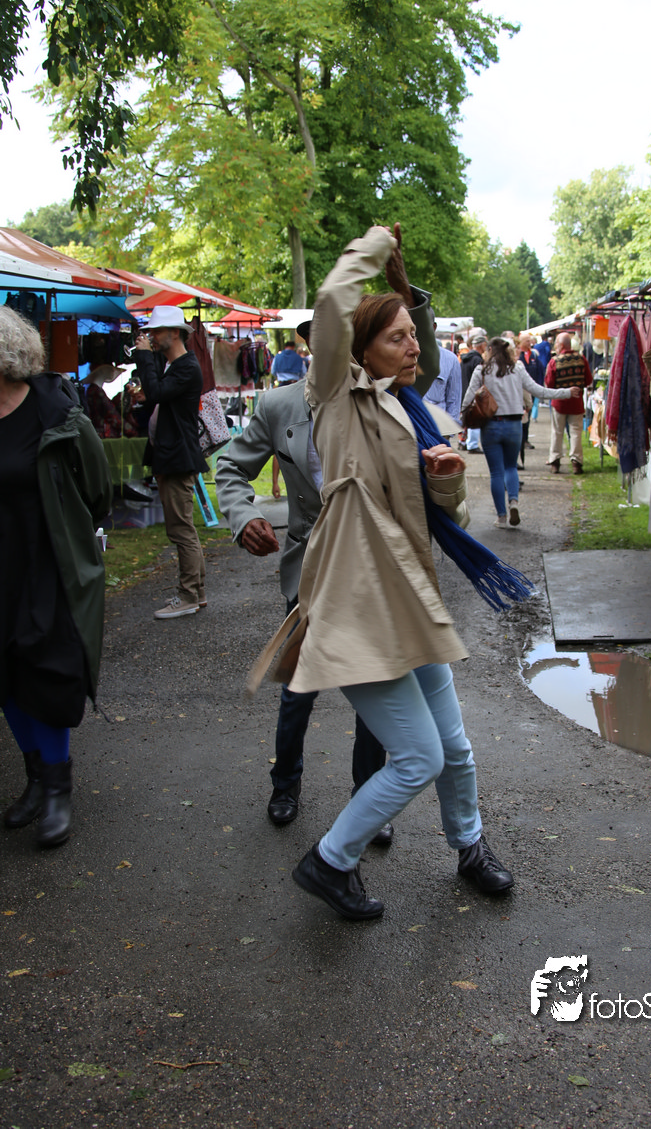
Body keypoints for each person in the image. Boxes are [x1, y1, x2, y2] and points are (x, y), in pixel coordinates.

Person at [288, 226, 526, 921]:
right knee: (419, 757)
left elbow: (437, 514)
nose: (414, 346)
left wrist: (446, 478)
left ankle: (469, 846)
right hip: (359, 602)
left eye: (413, 337)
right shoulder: (335, 393)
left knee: (454, 747)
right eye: (397, 337)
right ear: (359, 349)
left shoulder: (407, 406)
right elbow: (332, 299)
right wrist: (375, 245)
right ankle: (330, 861)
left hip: (408, 596)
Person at [216, 233, 439, 838]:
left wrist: (403, 289)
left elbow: (422, 356)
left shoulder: (383, 394)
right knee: (300, 687)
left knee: (378, 687)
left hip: (376, 569)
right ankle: (284, 784)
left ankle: (369, 799)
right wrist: (242, 517)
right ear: (308, 345)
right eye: (321, 339)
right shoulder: (278, 406)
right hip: (311, 568)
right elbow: (230, 467)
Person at [0, 305, 112, 847]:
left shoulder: (55, 410)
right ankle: (35, 779)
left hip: (47, 563)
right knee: (6, 675)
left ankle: (57, 788)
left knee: (47, 670)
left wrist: (78, 537)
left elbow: (96, 486)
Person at [134, 305, 208, 618]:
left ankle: (188, 594)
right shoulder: (176, 366)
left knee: (181, 530)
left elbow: (156, 392)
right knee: (183, 528)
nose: (151, 337)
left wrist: (143, 356)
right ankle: (196, 592)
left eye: (156, 331)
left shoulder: (186, 367)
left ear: (174, 333)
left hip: (178, 457)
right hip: (173, 455)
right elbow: (158, 394)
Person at [462, 336, 579, 528]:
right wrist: (566, 392)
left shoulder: (481, 370)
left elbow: (468, 399)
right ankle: (514, 501)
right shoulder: (517, 369)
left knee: (496, 473)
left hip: (491, 426)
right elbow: (539, 391)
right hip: (514, 425)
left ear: (489, 351)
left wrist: (460, 419)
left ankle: (501, 517)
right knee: (511, 467)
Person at [545, 332, 593, 476]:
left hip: (559, 402)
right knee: (575, 432)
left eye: (556, 343)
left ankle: (555, 461)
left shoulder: (555, 361)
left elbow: (549, 383)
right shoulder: (581, 359)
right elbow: (588, 380)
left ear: (561, 345)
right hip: (576, 402)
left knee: (557, 432)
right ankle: (576, 462)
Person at [423, 321, 462, 430]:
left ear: (433, 327)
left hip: (437, 430)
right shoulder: (400, 357)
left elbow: (454, 400)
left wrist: (449, 432)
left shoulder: (450, 360)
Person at [516, 333, 545, 464]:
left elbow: (540, 369)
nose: (529, 343)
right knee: (523, 416)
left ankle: (525, 439)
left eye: (529, 341)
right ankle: (521, 441)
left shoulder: (533, 355)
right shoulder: (518, 358)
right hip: (523, 391)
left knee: (527, 415)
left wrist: (539, 384)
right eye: (527, 341)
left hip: (532, 388)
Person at [459, 332, 488, 452]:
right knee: (474, 418)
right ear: (482, 345)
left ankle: (462, 441)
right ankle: (472, 444)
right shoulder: (477, 360)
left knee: (466, 417)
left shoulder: (464, 359)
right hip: (473, 392)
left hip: (463, 390)